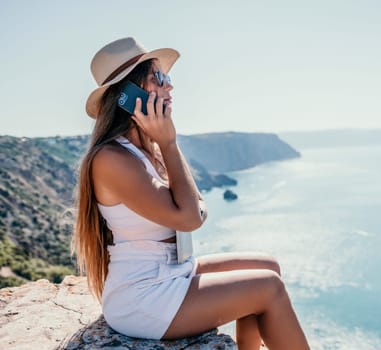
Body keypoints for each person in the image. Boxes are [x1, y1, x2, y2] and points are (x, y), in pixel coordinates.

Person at [73, 37, 310, 350]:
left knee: (269, 266)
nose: (170, 87)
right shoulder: (111, 159)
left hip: (173, 272)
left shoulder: (147, 152)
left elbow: (196, 210)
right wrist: (169, 143)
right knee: (268, 288)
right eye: (159, 78)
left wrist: (165, 144)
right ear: (129, 94)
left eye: (168, 78)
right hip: (143, 296)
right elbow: (189, 218)